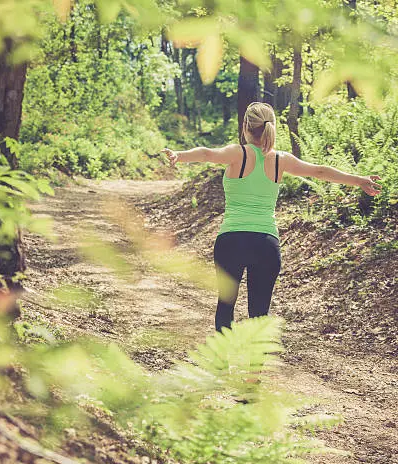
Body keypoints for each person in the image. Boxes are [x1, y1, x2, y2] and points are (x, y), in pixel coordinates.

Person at [162, 102, 382, 333]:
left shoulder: (238, 153)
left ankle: (221, 365)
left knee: (225, 306)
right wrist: (359, 180)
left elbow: (207, 153)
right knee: (259, 314)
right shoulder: (280, 159)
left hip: (231, 241)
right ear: (272, 127)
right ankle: (255, 369)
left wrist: (179, 155)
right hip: (266, 244)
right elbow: (319, 171)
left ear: (245, 126)